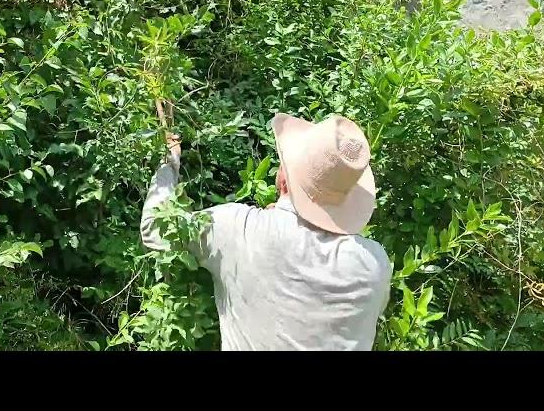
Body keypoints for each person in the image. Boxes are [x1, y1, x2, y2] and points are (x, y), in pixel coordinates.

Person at [140, 112, 392, 350]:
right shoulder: (375, 263)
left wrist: (169, 162)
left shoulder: (238, 229)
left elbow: (155, 227)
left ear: (284, 179)